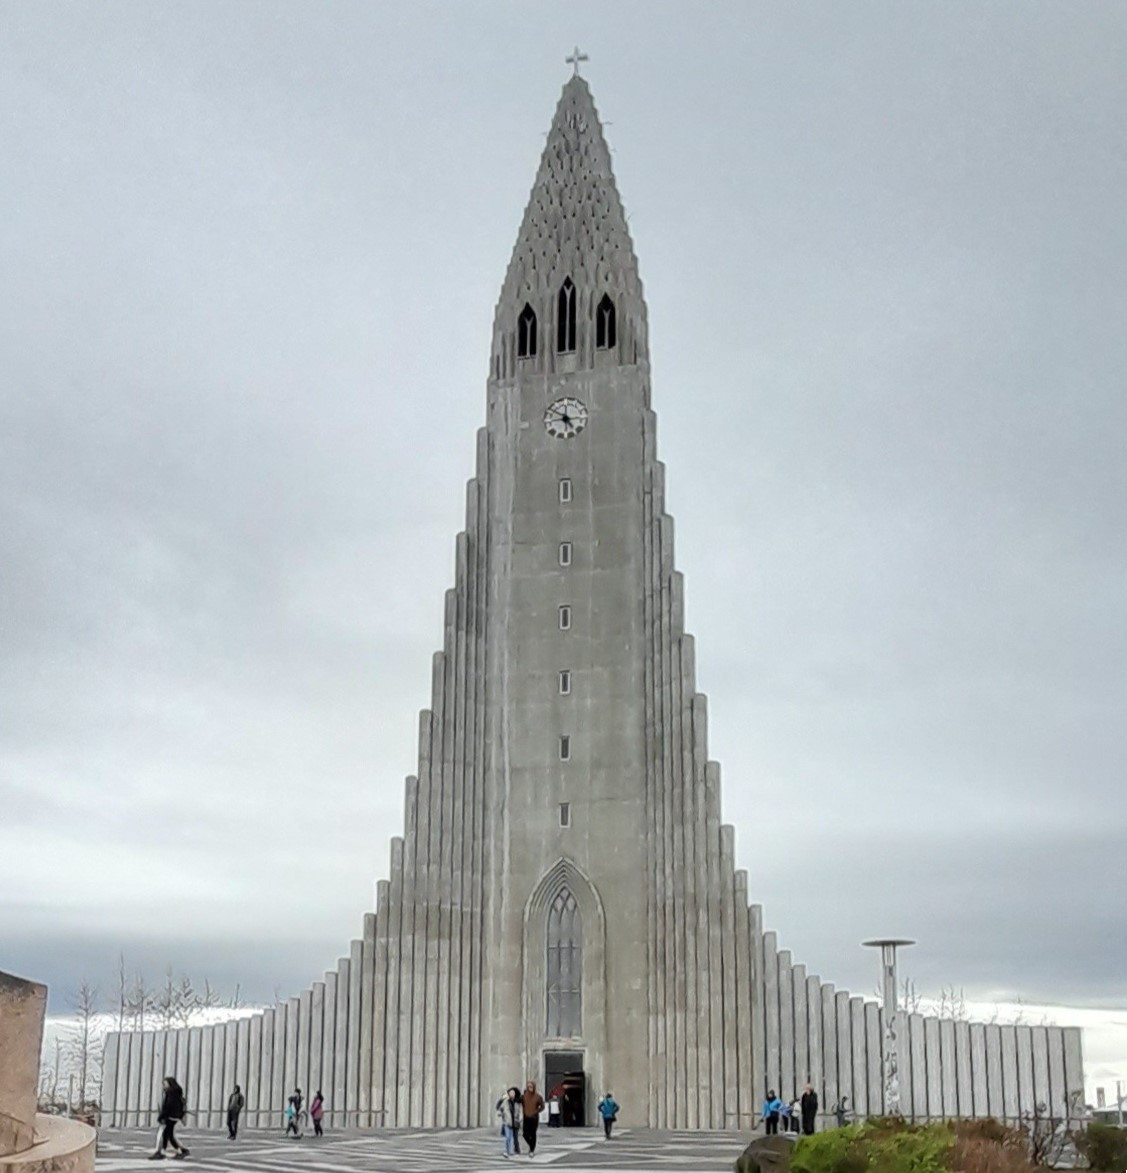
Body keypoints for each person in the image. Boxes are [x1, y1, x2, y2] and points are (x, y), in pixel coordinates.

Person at [150, 1075, 189, 1160]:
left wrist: (161, 1117)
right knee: (168, 1135)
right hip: (175, 1117)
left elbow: (167, 1106)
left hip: (169, 1117)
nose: (164, 1086)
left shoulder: (170, 1093)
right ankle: (176, 1151)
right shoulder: (177, 1093)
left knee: (164, 1134)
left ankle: (163, 1152)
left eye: (165, 1084)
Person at [496, 1086, 521, 1157]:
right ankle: (508, 1151)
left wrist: (520, 1120)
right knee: (508, 1137)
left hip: (515, 1122)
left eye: (513, 1093)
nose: (512, 1094)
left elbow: (520, 1112)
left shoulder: (517, 1103)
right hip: (507, 1122)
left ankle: (511, 1151)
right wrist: (500, 1113)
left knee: (512, 1138)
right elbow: (499, 1108)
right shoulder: (505, 1102)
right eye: (510, 1093)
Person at [521, 1080, 545, 1155]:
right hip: (526, 1117)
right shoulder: (524, 1096)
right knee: (525, 1134)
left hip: (534, 1118)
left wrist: (536, 1112)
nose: (529, 1088)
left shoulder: (538, 1097)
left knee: (533, 1133)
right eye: (528, 1087)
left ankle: (532, 1149)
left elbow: (542, 1107)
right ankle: (531, 1146)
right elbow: (519, 1101)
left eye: (531, 1087)